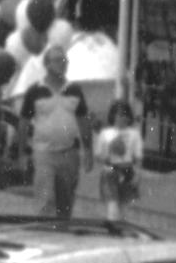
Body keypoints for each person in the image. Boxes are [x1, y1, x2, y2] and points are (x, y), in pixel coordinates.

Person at [27, 82, 84, 222]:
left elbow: (83, 118)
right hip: (44, 152)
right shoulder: (36, 90)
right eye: (57, 60)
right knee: (46, 197)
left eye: (63, 60)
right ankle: (45, 232)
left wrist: (88, 148)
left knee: (66, 198)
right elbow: (23, 119)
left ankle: (63, 231)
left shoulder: (74, 90)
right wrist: (23, 151)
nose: (62, 64)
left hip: (69, 151)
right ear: (47, 63)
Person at [93, 99, 145, 228]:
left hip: (127, 170)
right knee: (112, 204)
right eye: (119, 114)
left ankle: (118, 228)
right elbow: (98, 155)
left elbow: (138, 157)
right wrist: (109, 151)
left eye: (125, 115)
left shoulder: (134, 134)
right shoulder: (106, 134)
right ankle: (112, 227)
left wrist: (137, 175)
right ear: (113, 116)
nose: (122, 118)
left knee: (123, 205)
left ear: (129, 117)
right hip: (110, 170)